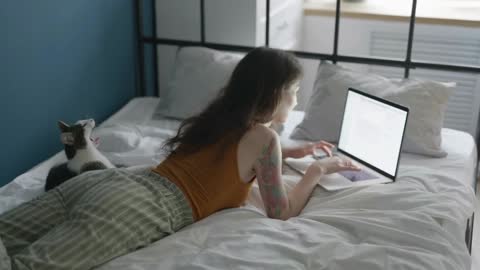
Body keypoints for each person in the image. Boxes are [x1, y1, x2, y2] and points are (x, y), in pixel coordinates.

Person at [0, 47, 360, 270]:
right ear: (276, 93)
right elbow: (280, 212)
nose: (297, 101)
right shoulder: (265, 139)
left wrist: (293, 152)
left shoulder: (221, 116)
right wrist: (316, 169)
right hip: (140, 208)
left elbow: (226, 162)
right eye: (295, 92)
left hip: (110, 182)